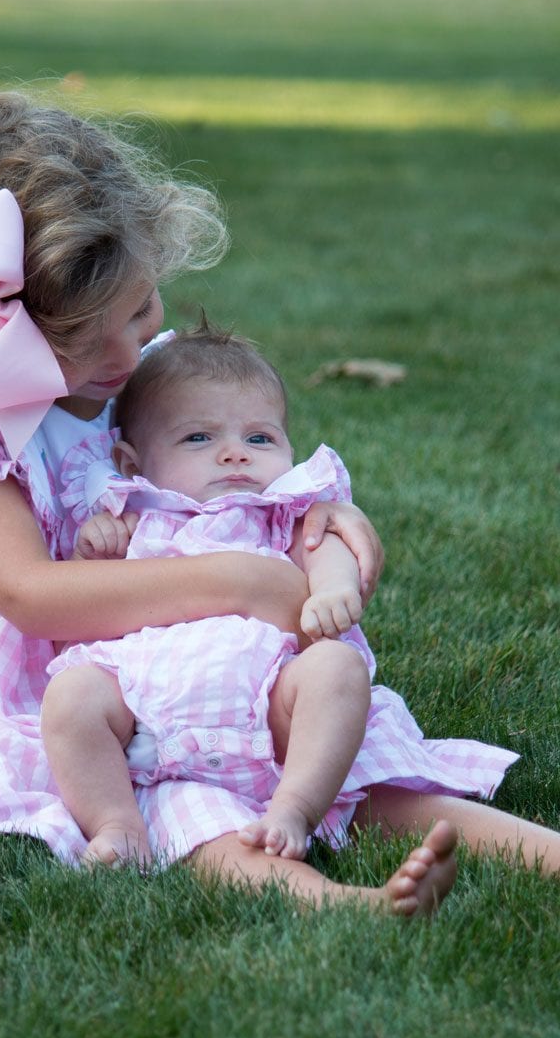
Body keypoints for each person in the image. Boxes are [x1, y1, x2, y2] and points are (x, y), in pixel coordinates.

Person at [0, 88, 560, 918]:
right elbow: (29, 595)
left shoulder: (144, 371)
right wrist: (242, 583)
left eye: (140, 309)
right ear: (4, 328)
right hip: (75, 691)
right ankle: (342, 902)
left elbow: (235, 468)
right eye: (86, 337)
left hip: (224, 666)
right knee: (187, 809)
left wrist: (317, 514)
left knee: (359, 768)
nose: (128, 351)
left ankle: (542, 852)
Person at [41, 323, 520, 877]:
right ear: (131, 463)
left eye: (259, 439)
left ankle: (295, 807)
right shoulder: (129, 521)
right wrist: (92, 560)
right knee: (72, 693)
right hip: (154, 729)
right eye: (198, 438)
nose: (233, 456)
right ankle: (116, 824)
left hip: (275, 711)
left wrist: (335, 586)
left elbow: (324, 546)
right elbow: (76, 626)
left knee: (336, 667)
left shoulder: (283, 510)